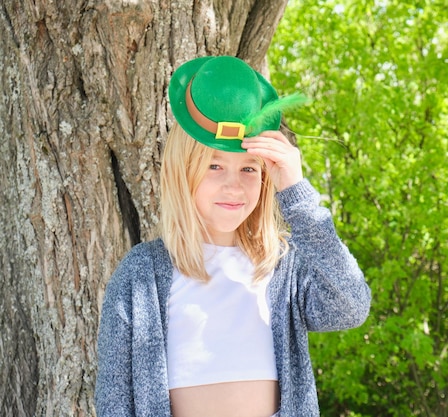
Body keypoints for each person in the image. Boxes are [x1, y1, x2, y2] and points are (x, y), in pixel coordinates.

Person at [95, 55, 371, 417]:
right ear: (183, 171)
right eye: (214, 166)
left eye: (248, 168)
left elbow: (350, 306)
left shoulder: (280, 268)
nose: (233, 186)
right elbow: (114, 400)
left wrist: (297, 194)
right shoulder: (141, 275)